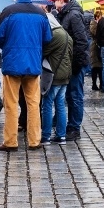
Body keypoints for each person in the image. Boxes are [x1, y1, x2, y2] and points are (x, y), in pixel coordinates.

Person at [0, 0, 52, 152]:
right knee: (33, 103)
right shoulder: (41, 13)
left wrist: (9, 46)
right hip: (33, 63)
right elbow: (47, 38)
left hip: (12, 63)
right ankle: (34, 141)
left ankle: (10, 141)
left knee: (11, 104)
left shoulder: (8, 12)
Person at [51, 0, 89, 141]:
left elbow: (81, 41)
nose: (53, 4)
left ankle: (74, 128)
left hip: (74, 63)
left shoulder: (73, 15)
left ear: (61, 0)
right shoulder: (67, 13)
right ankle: (66, 123)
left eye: (54, 1)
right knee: (69, 95)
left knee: (75, 96)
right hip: (69, 62)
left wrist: (76, 64)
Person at [41, 13, 72, 145]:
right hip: (65, 74)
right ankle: (61, 136)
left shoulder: (55, 35)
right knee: (60, 105)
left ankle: (46, 136)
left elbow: (43, 52)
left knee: (47, 105)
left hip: (54, 75)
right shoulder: (65, 34)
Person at [89, 10, 103, 91]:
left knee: (100, 67)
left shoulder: (97, 24)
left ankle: (101, 84)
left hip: (99, 46)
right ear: (97, 17)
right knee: (95, 66)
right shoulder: (93, 23)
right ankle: (94, 84)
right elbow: (95, 33)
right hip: (95, 47)